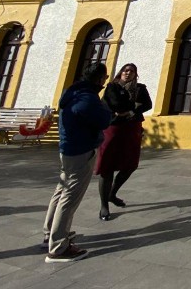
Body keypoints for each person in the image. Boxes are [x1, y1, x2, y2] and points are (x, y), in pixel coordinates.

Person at [43, 62, 112, 263]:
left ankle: (50, 233)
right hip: (81, 150)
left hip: (68, 148)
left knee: (61, 191)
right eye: (104, 78)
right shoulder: (86, 98)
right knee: (70, 197)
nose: (104, 82)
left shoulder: (72, 92)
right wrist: (106, 111)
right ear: (99, 79)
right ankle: (58, 247)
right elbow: (103, 120)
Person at [94, 63, 153, 220]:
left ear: (135, 74)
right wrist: (134, 106)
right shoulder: (112, 87)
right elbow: (115, 105)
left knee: (130, 164)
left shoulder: (140, 88)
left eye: (132, 71)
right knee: (107, 166)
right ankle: (104, 206)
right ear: (120, 72)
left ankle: (112, 193)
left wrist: (132, 110)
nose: (128, 73)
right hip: (113, 129)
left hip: (132, 129)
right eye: (126, 70)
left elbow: (148, 104)